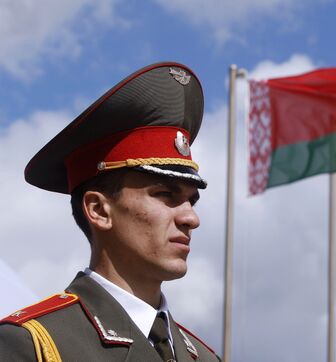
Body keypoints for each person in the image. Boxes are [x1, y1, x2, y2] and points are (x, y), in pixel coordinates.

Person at [0, 62, 221, 362]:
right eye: (165, 195)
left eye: (190, 201)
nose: (190, 218)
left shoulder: (205, 357)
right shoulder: (34, 344)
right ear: (98, 210)